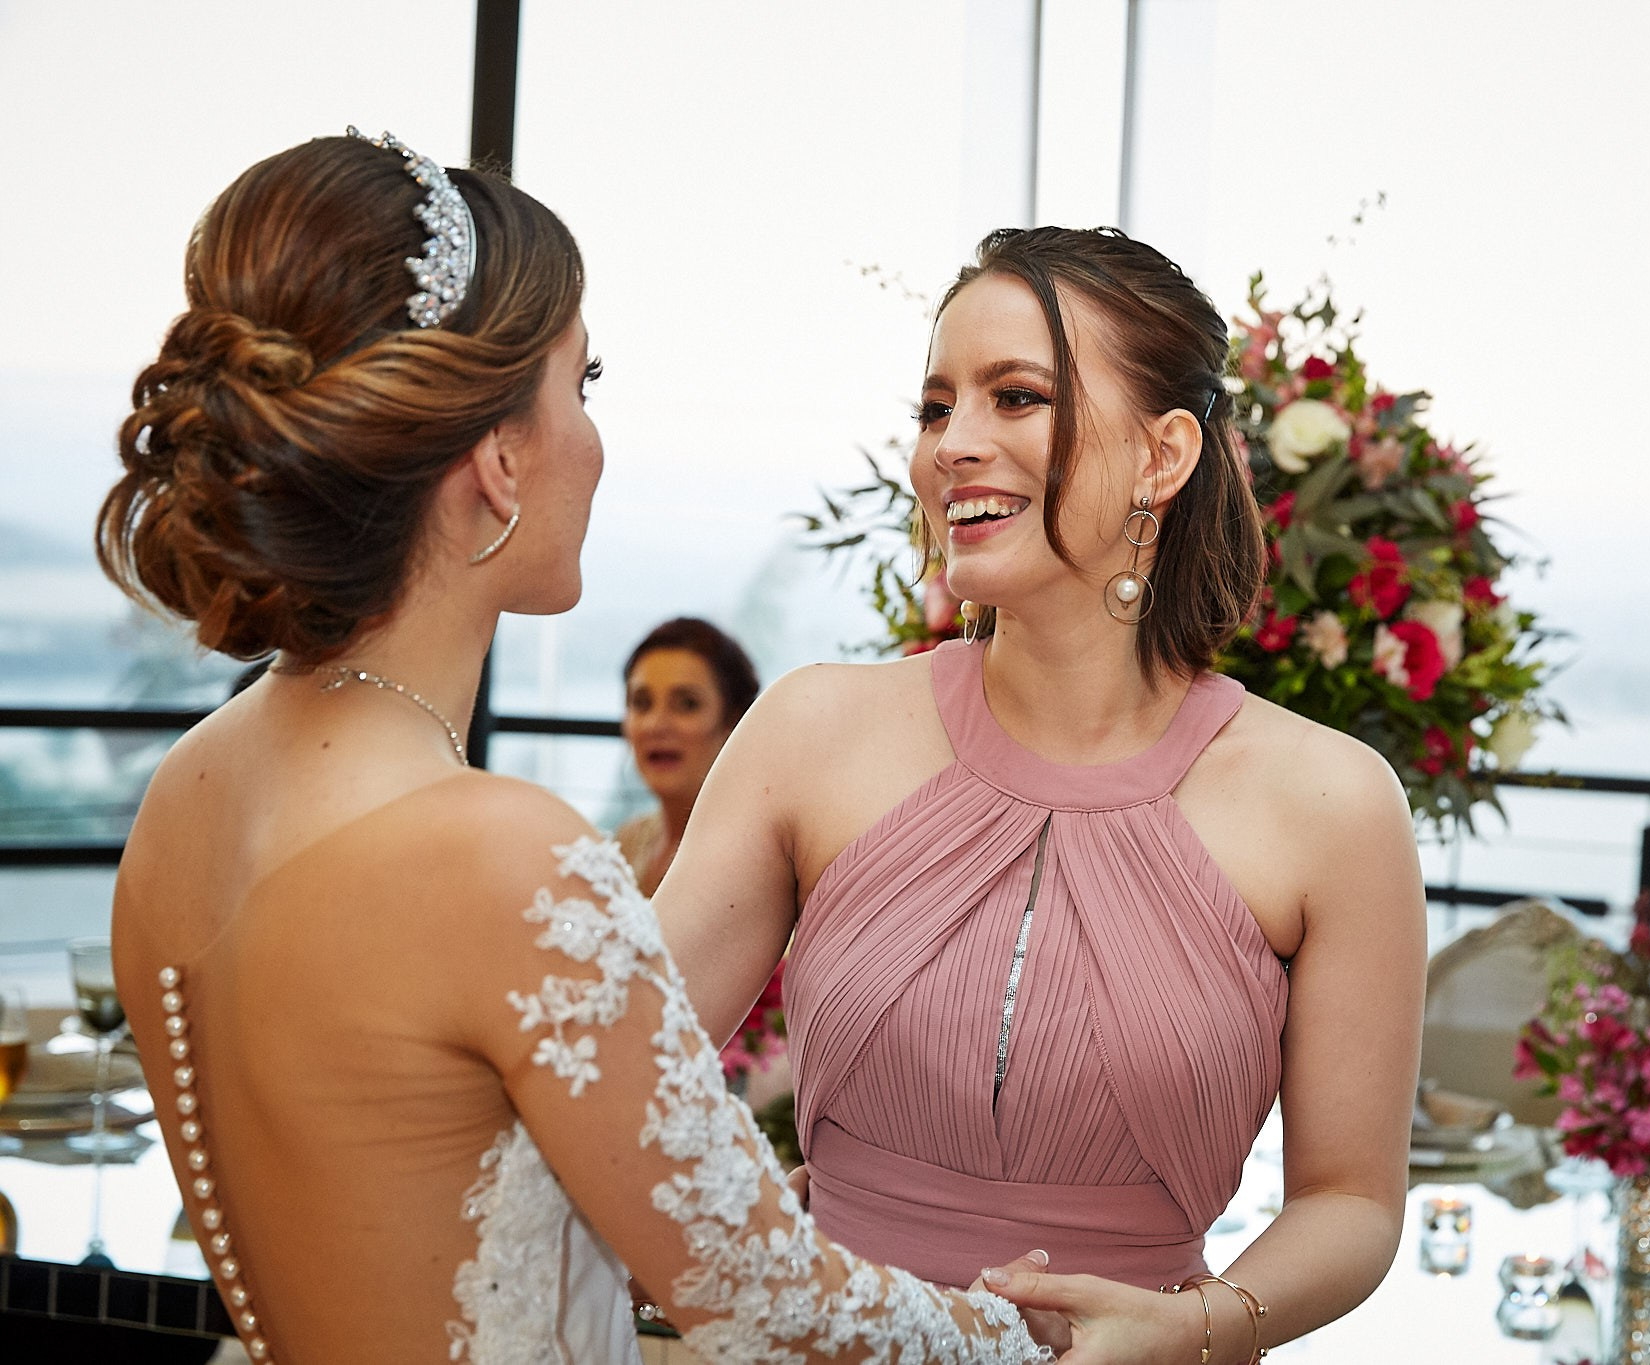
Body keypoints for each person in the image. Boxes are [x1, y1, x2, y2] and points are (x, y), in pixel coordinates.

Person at [94, 130, 1057, 1364]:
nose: (595, 438)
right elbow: (767, 1304)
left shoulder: (190, 788)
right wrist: (1033, 1334)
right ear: (497, 460)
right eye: (581, 386)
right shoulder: (498, 852)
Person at [658, 225, 1428, 1359]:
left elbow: (1351, 1202)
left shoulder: (1331, 805)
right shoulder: (811, 730)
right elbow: (612, 1070)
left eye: (1014, 397)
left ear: (1163, 457)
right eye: (934, 408)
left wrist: (1199, 1329)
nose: (951, 446)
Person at [615, 617, 760, 896]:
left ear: (733, 721)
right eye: (641, 703)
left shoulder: (754, 861)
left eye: (687, 704)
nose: (655, 725)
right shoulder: (627, 843)